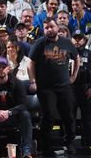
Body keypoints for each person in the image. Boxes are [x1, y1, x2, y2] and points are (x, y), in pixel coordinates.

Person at [27, 18, 79, 156]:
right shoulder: (39, 43)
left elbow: (76, 58)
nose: (49, 29)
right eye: (46, 27)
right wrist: (33, 81)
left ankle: (69, 142)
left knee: (68, 116)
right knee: (48, 116)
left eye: (51, 27)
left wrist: (73, 76)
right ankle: (46, 147)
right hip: (46, 87)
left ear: (57, 27)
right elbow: (30, 63)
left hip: (64, 86)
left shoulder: (66, 42)